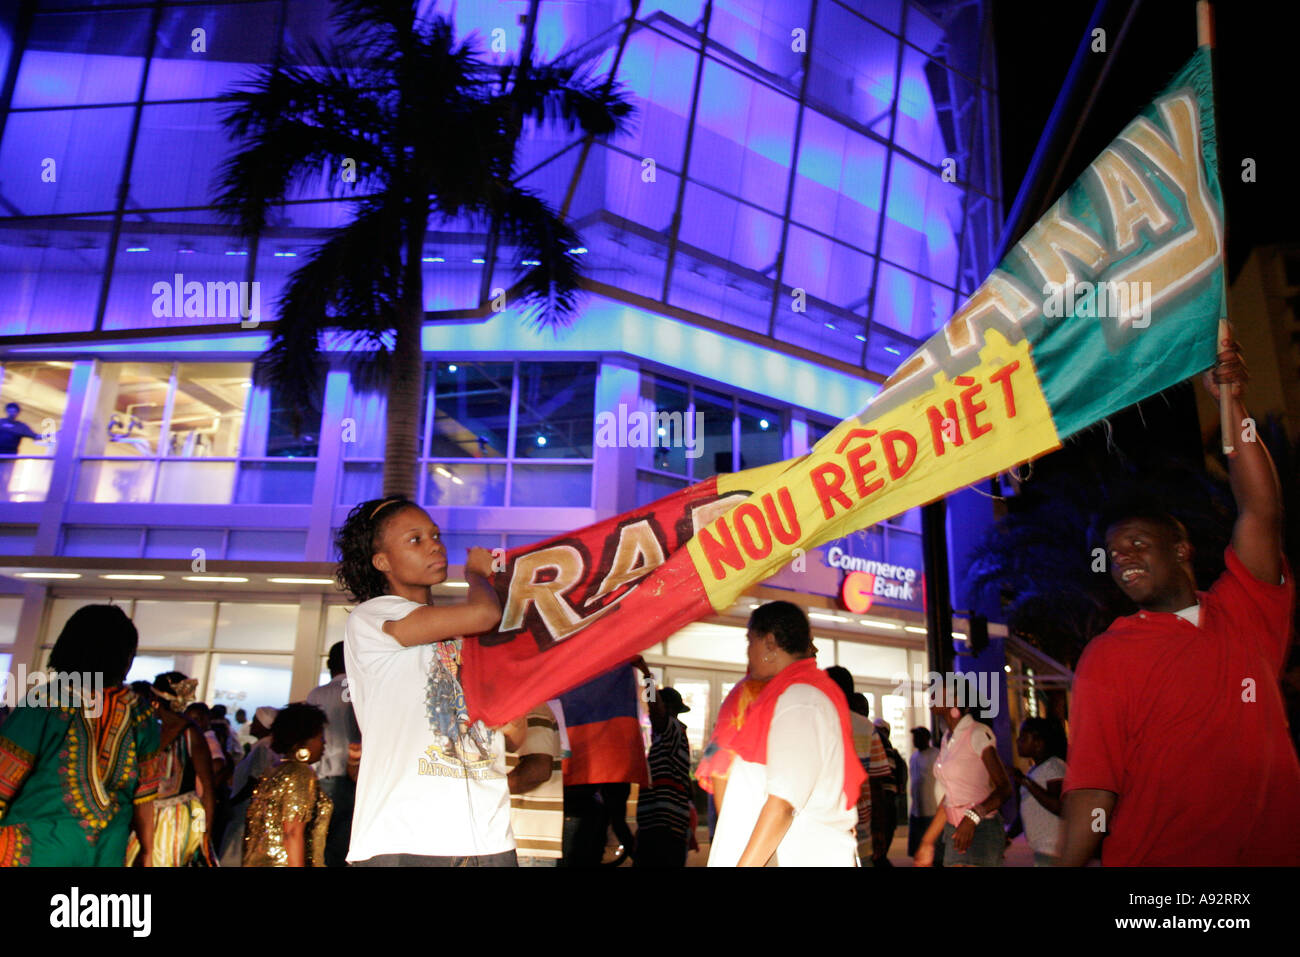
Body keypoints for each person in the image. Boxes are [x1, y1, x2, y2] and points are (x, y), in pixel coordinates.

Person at [1061, 340, 1300, 866]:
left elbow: (1261, 508)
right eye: (1112, 552)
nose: (1121, 557)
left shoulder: (1246, 611)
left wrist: (1230, 401)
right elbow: (1093, 789)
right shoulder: (1107, 656)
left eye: (1136, 545)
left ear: (1183, 548)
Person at [335, 496, 525, 866]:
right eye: (415, 539)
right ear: (382, 562)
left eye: (434, 534)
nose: (434, 544)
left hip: (487, 834)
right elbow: (485, 613)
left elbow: (514, 736)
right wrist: (477, 575)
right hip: (407, 834)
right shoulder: (373, 617)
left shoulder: (463, 639)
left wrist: (511, 723)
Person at [0, 605, 161, 866]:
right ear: (126, 655)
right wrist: (147, 851)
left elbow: (5, 774)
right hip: (106, 850)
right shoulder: (141, 715)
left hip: (35, 848)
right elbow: (145, 797)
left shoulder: (46, 701)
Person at [707, 602, 864, 867]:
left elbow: (783, 804)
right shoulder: (786, 696)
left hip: (789, 852)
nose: (748, 652)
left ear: (769, 643)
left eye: (750, 641)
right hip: (781, 849)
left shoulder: (800, 699)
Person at [913, 694, 1012, 868]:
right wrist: (927, 842)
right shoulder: (947, 738)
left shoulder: (978, 732)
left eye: (940, 691)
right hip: (955, 829)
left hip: (981, 828)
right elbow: (950, 798)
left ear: (956, 700)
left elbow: (1004, 788)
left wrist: (972, 817)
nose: (932, 695)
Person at [130, 672, 216, 866]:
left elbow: (208, 788)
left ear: (155, 700)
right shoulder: (152, 730)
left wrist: (205, 833)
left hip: (178, 818)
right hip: (148, 815)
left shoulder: (190, 734)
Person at [243, 703, 333, 867]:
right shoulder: (300, 774)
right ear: (304, 740)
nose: (324, 743)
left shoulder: (274, 770)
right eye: (320, 737)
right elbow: (292, 833)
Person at [825, 669, 891, 865]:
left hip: (826, 823)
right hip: (861, 826)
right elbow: (877, 784)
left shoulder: (819, 722)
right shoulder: (866, 727)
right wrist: (879, 829)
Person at [306, 641, 361, 867]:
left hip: (323, 776)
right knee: (346, 840)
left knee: (322, 840)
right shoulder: (359, 690)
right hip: (354, 774)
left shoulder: (317, 694)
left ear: (330, 664)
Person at [633, 680, 694, 867]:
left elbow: (655, 711)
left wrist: (647, 677)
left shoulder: (672, 729)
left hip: (664, 820)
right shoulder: (668, 735)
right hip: (665, 819)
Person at [218, 706, 280, 867]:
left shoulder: (264, 747)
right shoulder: (264, 745)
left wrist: (232, 803)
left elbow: (255, 780)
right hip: (246, 807)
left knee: (234, 852)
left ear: (264, 724)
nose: (252, 725)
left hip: (246, 809)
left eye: (256, 721)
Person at [507, 702, 564, 866]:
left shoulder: (530, 705)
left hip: (524, 845)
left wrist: (486, 790)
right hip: (521, 844)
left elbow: (538, 769)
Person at [1013, 717, 1067, 866]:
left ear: (1038, 743)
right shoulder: (1036, 770)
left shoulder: (1053, 767)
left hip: (1053, 849)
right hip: (1044, 849)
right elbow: (1028, 810)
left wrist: (1025, 781)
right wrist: (1009, 835)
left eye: (1023, 738)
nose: (1018, 742)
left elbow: (1058, 806)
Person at [874, 718, 907, 864]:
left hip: (885, 800)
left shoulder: (887, 749)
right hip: (884, 800)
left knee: (882, 842)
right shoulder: (886, 747)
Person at [908, 726, 941, 861]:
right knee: (917, 851)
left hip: (932, 810)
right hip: (916, 811)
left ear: (927, 738)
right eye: (914, 737)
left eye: (918, 736)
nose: (915, 740)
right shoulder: (913, 757)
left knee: (935, 852)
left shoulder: (936, 754)